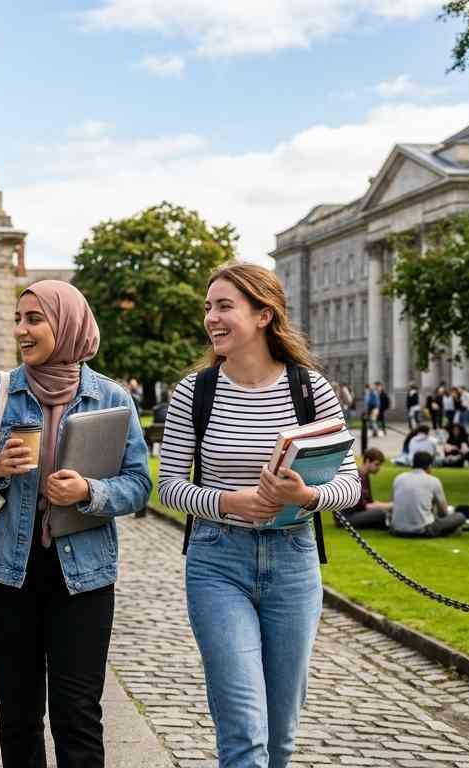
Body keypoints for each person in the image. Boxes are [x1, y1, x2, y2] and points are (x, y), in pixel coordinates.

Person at [157, 263, 359, 768]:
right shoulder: (194, 392)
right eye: (209, 307)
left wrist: (306, 496)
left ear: (264, 314)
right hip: (217, 564)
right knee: (245, 733)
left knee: (282, 737)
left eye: (225, 306)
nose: (212, 318)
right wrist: (232, 502)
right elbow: (169, 486)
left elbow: (349, 485)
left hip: (294, 564)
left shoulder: (310, 389)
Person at [0, 280, 151, 767]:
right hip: (8, 576)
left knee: (78, 713)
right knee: (17, 714)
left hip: (83, 578)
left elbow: (140, 484)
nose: (22, 329)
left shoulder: (111, 397)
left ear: (67, 325)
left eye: (34, 319)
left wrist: (89, 492)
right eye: (19, 319)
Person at [387, 451, 464, 537]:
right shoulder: (433, 481)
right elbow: (443, 512)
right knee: (460, 516)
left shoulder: (398, 478)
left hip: (397, 529)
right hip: (423, 530)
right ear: (429, 466)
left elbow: (393, 505)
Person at [336, 447, 389, 529]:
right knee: (382, 513)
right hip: (346, 517)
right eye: (376, 464)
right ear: (367, 461)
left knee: (384, 513)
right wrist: (388, 506)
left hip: (358, 513)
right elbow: (364, 506)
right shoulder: (357, 476)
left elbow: (369, 502)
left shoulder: (365, 476)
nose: (378, 468)